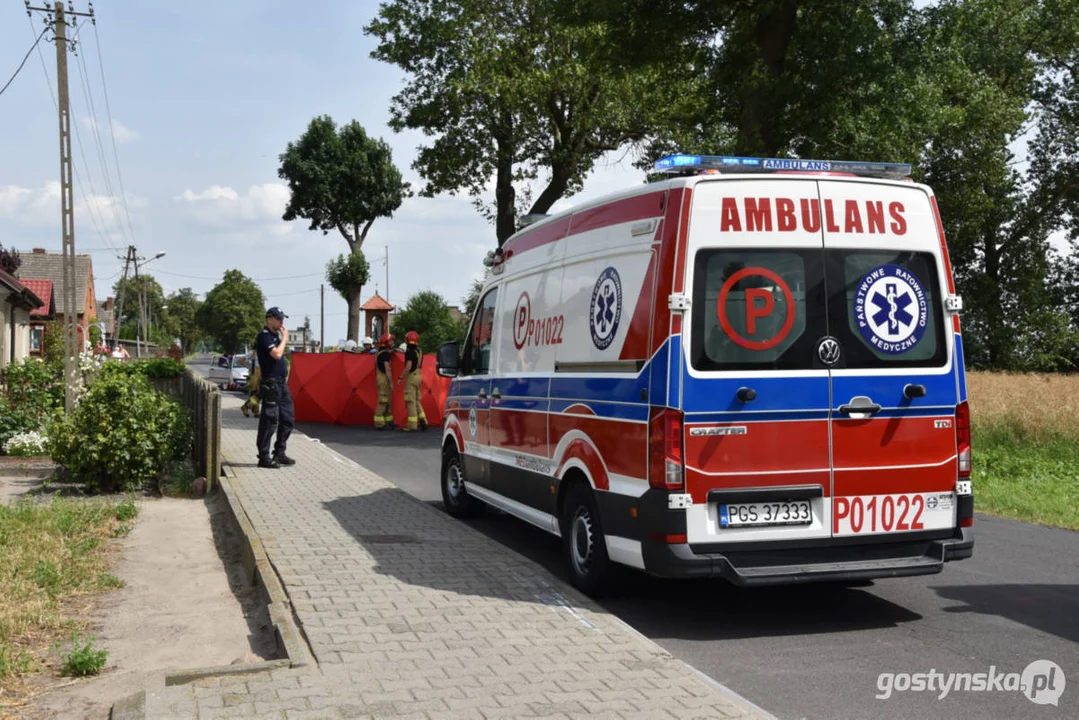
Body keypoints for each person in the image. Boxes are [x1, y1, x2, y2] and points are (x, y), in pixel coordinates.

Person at [255, 307, 295, 468]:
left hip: (281, 383)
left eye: (282, 319)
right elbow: (276, 354)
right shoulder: (264, 336)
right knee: (270, 420)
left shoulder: (274, 336)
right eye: (278, 319)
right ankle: (263, 457)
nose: (281, 322)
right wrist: (285, 337)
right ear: (269, 319)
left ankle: (279, 452)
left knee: (288, 419)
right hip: (271, 384)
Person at [398, 330, 427, 432]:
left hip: (411, 377)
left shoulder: (410, 352)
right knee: (416, 400)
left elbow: (408, 367)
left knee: (410, 401)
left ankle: (412, 425)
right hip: (419, 376)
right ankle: (423, 420)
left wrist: (400, 377)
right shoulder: (419, 351)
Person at [373, 333, 396, 430]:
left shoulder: (380, 352)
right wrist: (391, 382)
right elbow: (387, 369)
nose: (393, 342)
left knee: (388, 400)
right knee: (383, 400)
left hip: (380, 377)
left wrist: (392, 351)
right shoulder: (385, 354)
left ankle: (389, 420)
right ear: (387, 342)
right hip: (384, 379)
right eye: (391, 341)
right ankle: (379, 423)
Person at [241, 351, 261, 418]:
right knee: (255, 392)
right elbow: (242, 360)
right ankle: (255, 411)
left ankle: (247, 407)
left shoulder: (265, 351)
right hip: (254, 373)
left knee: (258, 392)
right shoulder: (253, 352)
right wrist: (248, 367)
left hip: (262, 372)